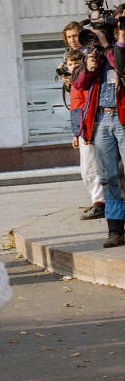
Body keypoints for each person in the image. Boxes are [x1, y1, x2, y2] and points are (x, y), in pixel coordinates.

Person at [74, 24, 125, 246]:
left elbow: (122, 67)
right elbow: (78, 83)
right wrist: (89, 66)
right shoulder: (93, 52)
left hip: (123, 118)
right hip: (102, 119)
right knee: (108, 176)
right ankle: (114, 229)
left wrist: (108, 47)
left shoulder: (116, 50)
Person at [62, 22, 104, 221]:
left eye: (75, 36)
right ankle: (98, 200)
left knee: (91, 166)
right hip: (79, 117)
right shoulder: (70, 60)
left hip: (91, 117)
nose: (72, 40)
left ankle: (100, 202)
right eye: (69, 37)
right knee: (88, 166)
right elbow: (74, 98)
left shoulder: (89, 57)